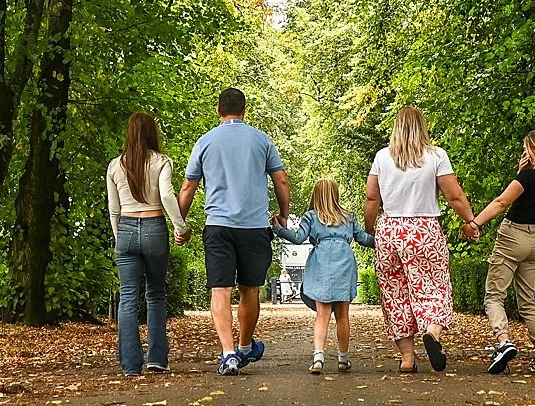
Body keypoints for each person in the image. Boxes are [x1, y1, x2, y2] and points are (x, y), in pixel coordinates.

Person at [179, 87, 289, 376]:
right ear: (244, 110)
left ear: (219, 110)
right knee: (250, 288)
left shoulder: (205, 142)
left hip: (218, 226)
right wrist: (284, 216)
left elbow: (188, 186)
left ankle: (228, 353)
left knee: (220, 289)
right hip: (254, 226)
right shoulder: (261, 140)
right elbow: (281, 180)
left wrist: (180, 223)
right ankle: (243, 346)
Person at [363, 106, 479, 373]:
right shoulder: (436, 156)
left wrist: (371, 229)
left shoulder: (382, 157)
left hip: (390, 230)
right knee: (434, 287)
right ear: (422, 127)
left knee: (396, 294)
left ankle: (407, 359)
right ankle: (433, 332)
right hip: (424, 230)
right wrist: (470, 221)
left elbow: (372, 198)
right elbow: (454, 196)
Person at [471, 128, 535, 375]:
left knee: (494, 296)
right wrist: (522, 171)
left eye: (528, 149)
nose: (525, 153)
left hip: (513, 236)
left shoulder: (528, 178)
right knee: (528, 301)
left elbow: (501, 202)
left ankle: (503, 342)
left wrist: (474, 223)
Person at [106, 111, 189, 376]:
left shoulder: (115, 165)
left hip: (126, 228)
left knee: (128, 297)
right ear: (153, 133)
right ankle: (157, 358)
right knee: (155, 294)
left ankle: (131, 365)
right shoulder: (162, 162)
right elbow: (165, 195)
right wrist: (180, 227)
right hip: (154, 227)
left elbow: (113, 208)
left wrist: (121, 238)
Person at [271, 176, 374, 374]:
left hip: (322, 263)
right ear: (336, 195)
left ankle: (318, 357)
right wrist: (385, 239)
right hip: (344, 263)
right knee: (343, 316)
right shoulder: (349, 217)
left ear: (315, 195)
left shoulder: (311, 217)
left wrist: (279, 229)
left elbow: (298, 238)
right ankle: (343, 359)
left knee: (322, 315)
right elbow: (363, 239)